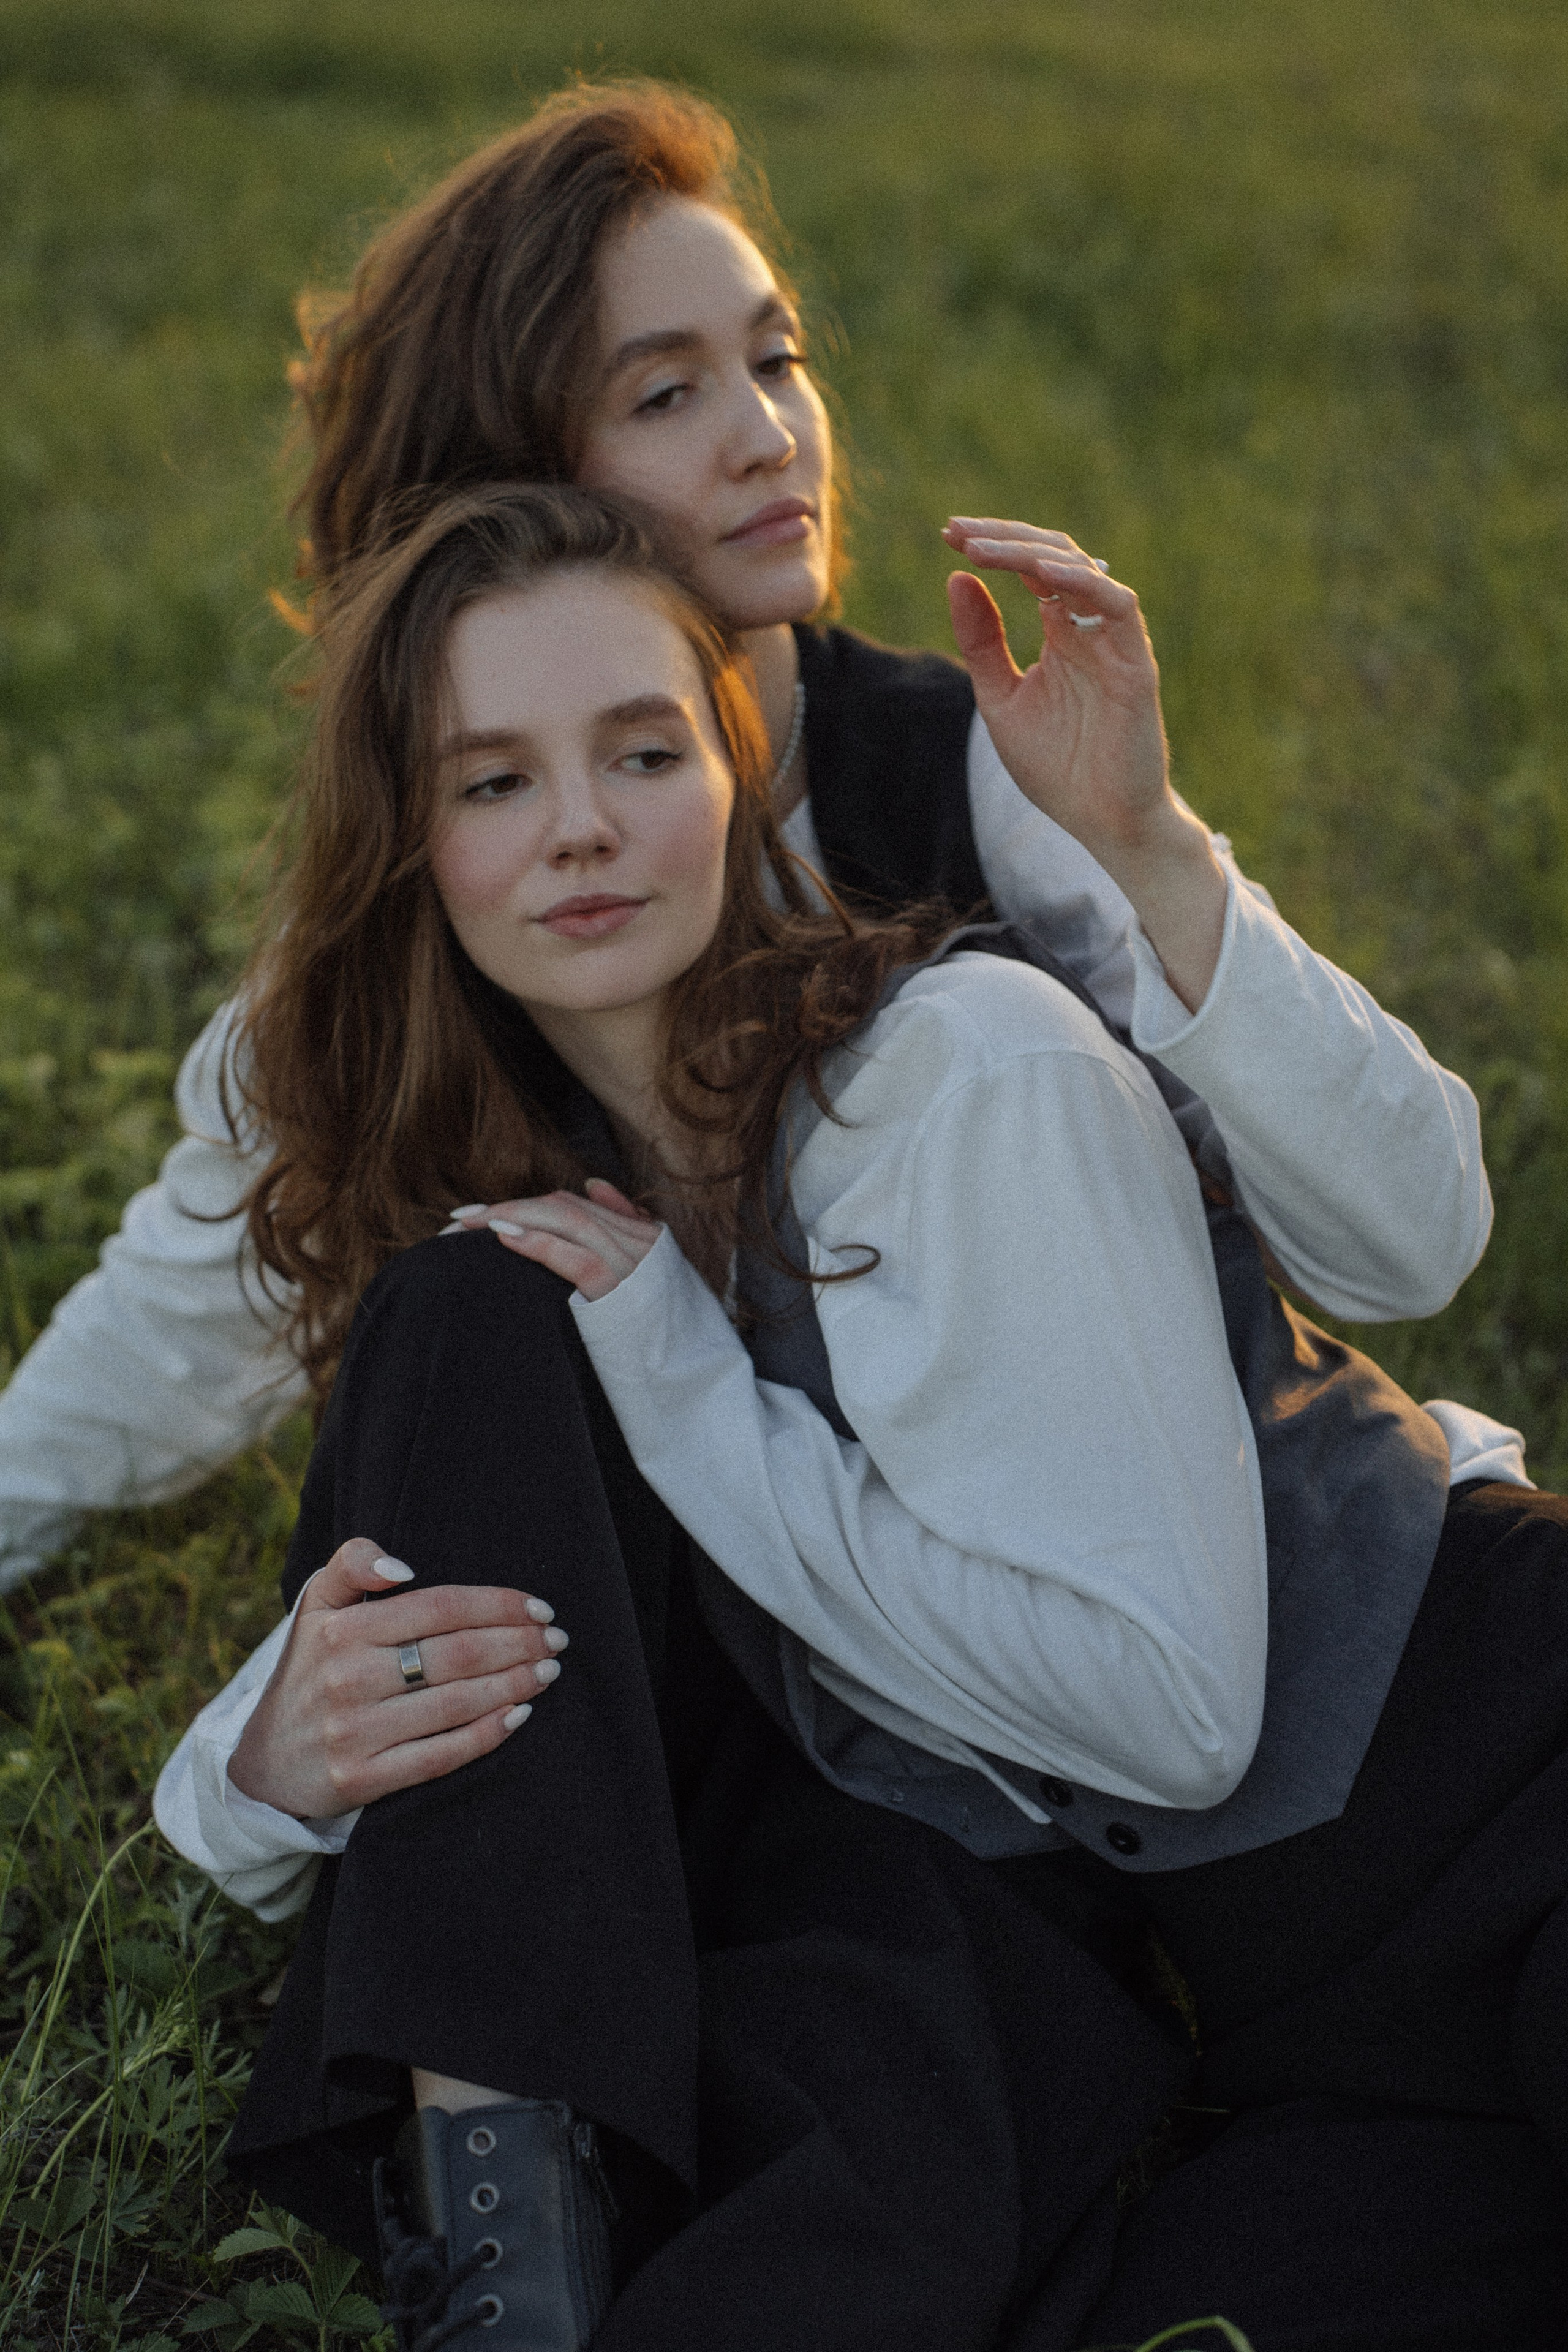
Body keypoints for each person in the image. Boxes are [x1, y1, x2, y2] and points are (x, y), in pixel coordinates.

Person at [157, 483, 1567, 2352]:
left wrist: (692, 1397)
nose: (578, 826)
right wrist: (254, 1769)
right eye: (492, 782)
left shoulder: (962, 1076)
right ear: (408, 847)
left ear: (739, 774)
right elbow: (453, 1602)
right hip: (1303, 2040)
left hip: (1502, 1786)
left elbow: (1172, 1712)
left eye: (641, 751)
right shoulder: (574, 1229)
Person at [0, 80, 1504, 1589]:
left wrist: (1151, 845)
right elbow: (181, 1318)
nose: (767, 434)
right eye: (666, 395)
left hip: (1211, 1582)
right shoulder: (456, 893)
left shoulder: (965, 775)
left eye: (774, 360)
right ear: (500, 495)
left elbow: (1407, 1244)